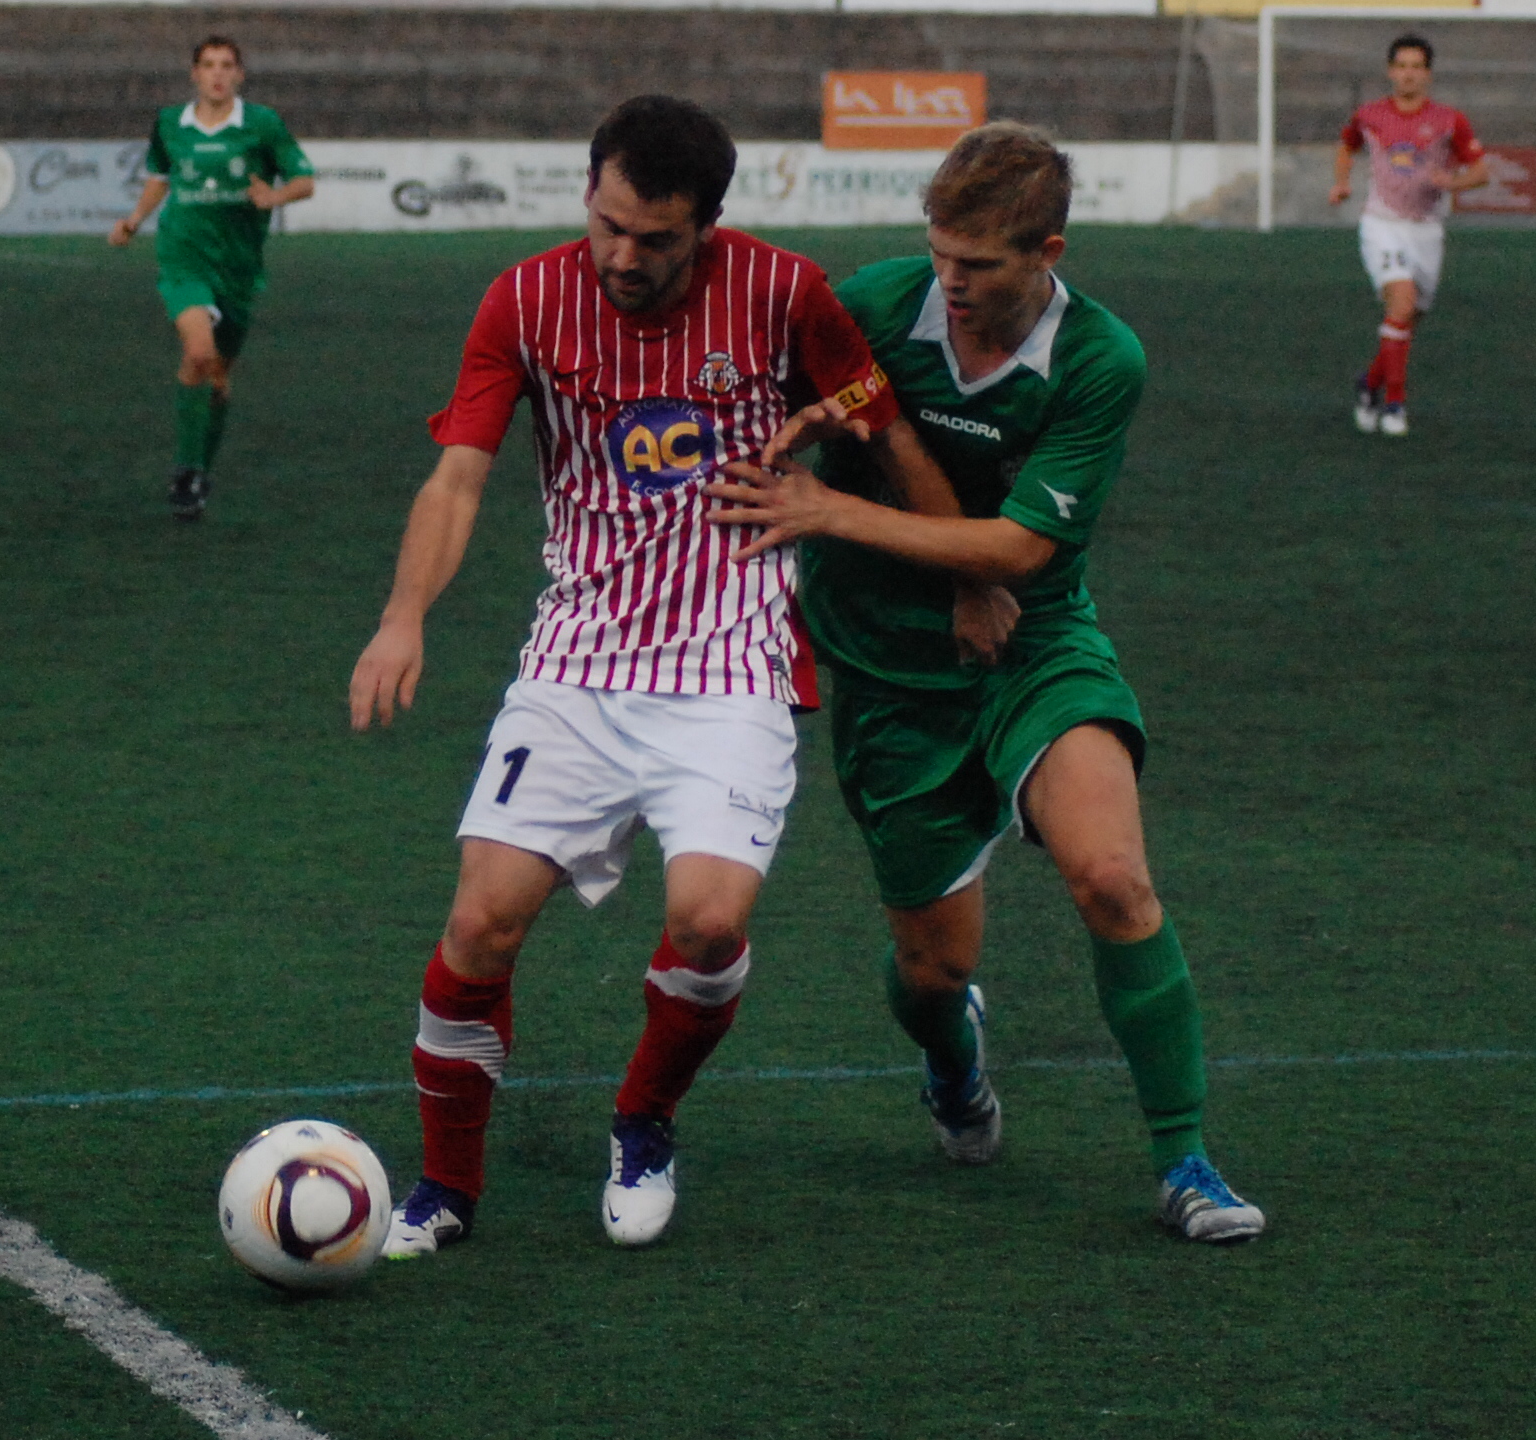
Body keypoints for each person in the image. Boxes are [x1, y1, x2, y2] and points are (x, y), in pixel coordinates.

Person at [348, 94, 947, 1256]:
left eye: (656, 239)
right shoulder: (523, 299)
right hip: (576, 664)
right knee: (478, 926)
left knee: (711, 925)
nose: (623, 256)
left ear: (707, 227)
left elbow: (878, 421)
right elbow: (458, 478)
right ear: (588, 190)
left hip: (733, 666)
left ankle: (646, 1120)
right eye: (608, 224)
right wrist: (402, 617)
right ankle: (446, 1189)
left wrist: (967, 571)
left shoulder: (782, 293)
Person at [704, 122, 1265, 1243]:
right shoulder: (872, 300)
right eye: (939, 254)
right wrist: (796, 427)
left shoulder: (1102, 359)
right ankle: (954, 1063)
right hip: (884, 673)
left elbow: (1019, 556)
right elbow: (759, 407)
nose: (948, 283)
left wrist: (826, 507)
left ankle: (1188, 1162)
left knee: (1112, 878)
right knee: (930, 972)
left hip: (1034, 644)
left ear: (1047, 250)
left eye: (979, 266)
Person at [108, 36, 315, 520]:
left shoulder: (262, 124)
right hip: (184, 256)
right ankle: (184, 470)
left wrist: (276, 198)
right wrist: (135, 220)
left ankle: (200, 468)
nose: (217, 74)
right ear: (194, 74)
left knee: (219, 376)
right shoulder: (169, 123)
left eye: (226, 65)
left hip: (238, 266)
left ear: (240, 75)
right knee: (198, 352)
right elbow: (161, 174)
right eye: (208, 65)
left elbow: (304, 180)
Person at [1328, 34, 1488, 438]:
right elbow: (1346, 146)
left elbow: (1481, 172)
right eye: (1401, 66)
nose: (1408, 74)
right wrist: (1341, 183)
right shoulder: (1369, 115)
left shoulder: (1450, 120)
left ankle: (1368, 385)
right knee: (1401, 301)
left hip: (1427, 231)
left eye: (1417, 67)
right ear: (1390, 71)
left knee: (1406, 320)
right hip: (1382, 225)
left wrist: (1452, 181)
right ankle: (1395, 406)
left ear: (1428, 74)